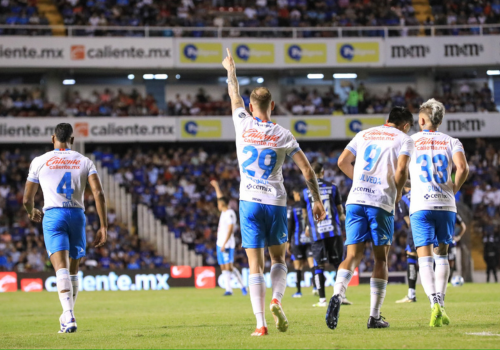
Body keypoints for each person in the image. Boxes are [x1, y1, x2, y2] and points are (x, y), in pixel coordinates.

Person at [222, 48, 326, 337]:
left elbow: (234, 95)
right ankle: (278, 300)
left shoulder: (242, 123)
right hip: (276, 202)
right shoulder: (283, 135)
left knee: (255, 264)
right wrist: (316, 200)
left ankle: (260, 324)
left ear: (252, 107)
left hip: (249, 202)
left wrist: (230, 69)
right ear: (273, 106)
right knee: (279, 260)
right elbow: (307, 170)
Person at [327, 106, 414, 330]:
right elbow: (402, 168)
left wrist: (362, 181)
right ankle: (374, 316)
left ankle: (338, 293)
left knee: (352, 255)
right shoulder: (405, 139)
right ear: (405, 125)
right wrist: (397, 191)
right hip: (380, 202)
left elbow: (342, 162)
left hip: (356, 199)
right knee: (381, 259)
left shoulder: (364, 134)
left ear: (387, 120)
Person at [23, 123, 107, 333]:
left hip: (53, 216)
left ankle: (68, 315)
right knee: (73, 270)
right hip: (77, 215)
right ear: (72, 140)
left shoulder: (40, 161)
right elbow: (98, 193)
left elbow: (26, 198)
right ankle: (67, 315)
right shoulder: (84, 161)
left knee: (60, 268)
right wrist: (103, 226)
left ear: (53, 138)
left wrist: (31, 211)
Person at [408, 98, 469, 327]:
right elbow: (463, 168)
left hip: (420, 205)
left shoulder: (411, 141)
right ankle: (441, 304)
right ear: (440, 120)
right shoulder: (452, 141)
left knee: (424, 258)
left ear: (422, 119)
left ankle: (433, 302)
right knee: (442, 254)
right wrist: (454, 188)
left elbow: (400, 168)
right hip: (445, 204)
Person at [396, 189, 466, 303]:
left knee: (414, 258)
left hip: (418, 225)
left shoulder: (404, 199)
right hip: (442, 212)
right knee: (440, 257)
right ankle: (440, 297)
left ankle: (412, 294)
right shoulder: (426, 189)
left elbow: (409, 222)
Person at [302, 163, 352, 307]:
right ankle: (341, 296)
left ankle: (322, 300)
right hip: (333, 230)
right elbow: (340, 210)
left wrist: (307, 226)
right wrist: (342, 217)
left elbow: (306, 213)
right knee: (338, 264)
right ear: (323, 172)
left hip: (317, 233)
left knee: (319, 265)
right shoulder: (333, 187)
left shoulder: (306, 191)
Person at [210, 180, 247, 296]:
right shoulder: (224, 212)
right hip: (220, 243)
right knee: (223, 267)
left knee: (229, 267)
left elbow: (231, 229)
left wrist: (225, 243)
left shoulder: (230, 213)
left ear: (223, 204)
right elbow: (220, 197)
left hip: (227, 243)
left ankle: (241, 286)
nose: (217, 205)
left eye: (219, 203)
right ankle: (229, 289)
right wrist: (216, 186)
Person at [287, 186, 315, 298]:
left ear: (297, 194)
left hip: (297, 240)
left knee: (298, 266)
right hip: (309, 239)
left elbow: (289, 226)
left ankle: (298, 291)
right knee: (312, 264)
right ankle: (315, 287)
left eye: (294, 194)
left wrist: (288, 242)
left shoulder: (292, 208)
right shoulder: (308, 207)